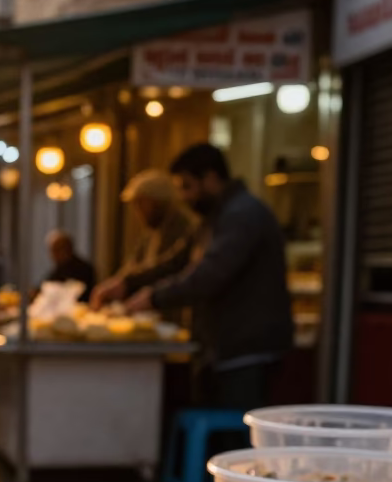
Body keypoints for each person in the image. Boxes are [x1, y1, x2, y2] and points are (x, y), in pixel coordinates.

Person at [124, 143, 293, 410]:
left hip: (246, 351)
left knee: (233, 437)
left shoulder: (243, 215)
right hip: (222, 348)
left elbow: (209, 274)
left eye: (187, 186)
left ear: (211, 178)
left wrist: (154, 297)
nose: (183, 196)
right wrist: (126, 284)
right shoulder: (214, 218)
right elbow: (175, 262)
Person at [90, 170, 196, 311]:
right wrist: (118, 283)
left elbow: (168, 267)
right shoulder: (151, 232)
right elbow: (133, 264)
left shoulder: (183, 228)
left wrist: (128, 285)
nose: (138, 212)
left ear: (159, 201)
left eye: (141, 203)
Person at [45, 231, 95, 298]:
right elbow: (48, 284)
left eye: (57, 250)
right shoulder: (59, 269)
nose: (53, 255)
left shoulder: (84, 269)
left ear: (69, 248)